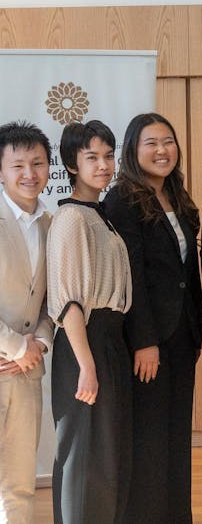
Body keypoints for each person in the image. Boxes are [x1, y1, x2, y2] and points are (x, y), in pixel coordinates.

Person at [103, 112, 202, 523]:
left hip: (182, 333)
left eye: (168, 142)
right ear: (132, 149)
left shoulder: (176, 195)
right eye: (151, 143)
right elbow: (133, 275)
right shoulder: (122, 199)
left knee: (176, 437)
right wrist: (144, 340)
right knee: (148, 439)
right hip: (148, 339)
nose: (162, 151)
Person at [47, 120, 133, 524]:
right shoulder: (71, 220)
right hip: (86, 344)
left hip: (109, 341)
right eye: (92, 157)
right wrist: (86, 364)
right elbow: (69, 304)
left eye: (109, 156)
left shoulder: (99, 214)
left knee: (105, 457)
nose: (103, 165)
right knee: (83, 457)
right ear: (71, 163)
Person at [0, 121, 54, 523]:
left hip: (27, 372)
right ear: (1, 170)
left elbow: (54, 301)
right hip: (6, 359)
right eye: (18, 165)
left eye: (37, 163)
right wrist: (16, 347)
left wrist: (38, 346)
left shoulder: (53, 225)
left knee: (19, 483)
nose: (29, 174)